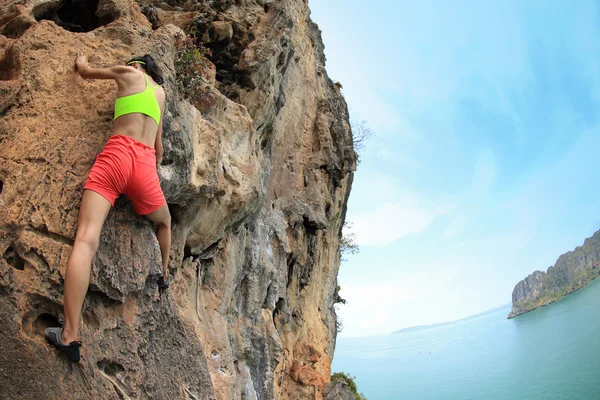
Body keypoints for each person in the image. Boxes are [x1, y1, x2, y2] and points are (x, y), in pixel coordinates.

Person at [45, 54, 172, 363]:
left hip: (116, 156)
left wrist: (81, 60)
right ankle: (165, 274)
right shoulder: (160, 93)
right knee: (165, 223)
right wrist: (144, 177)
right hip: (143, 166)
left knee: (86, 241)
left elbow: (85, 72)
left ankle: (70, 335)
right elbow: (159, 150)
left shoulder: (127, 72)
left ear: (137, 65)